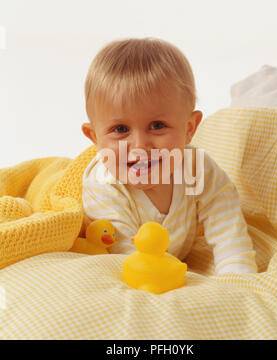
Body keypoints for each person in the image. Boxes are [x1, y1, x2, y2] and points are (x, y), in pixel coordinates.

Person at [81, 37, 257, 275]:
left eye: (157, 125)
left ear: (189, 128)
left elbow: (229, 231)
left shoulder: (197, 169)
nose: (140, 146)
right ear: (94, 138)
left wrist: (237, 281)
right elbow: (128, 263)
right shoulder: (104, 184)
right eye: (120, 129)